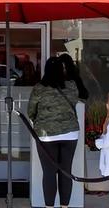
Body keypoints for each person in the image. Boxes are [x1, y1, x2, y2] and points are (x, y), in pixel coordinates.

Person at [27, 56, 80, 208]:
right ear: (62, 70)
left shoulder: (39, 88)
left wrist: (39, 120)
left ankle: (49, 206)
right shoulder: (72, 85)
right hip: (70, 133)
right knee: (66, 171)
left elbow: (31, 110)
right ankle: (65, 206)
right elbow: (74, 102)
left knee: (49, 173)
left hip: (46, 135)